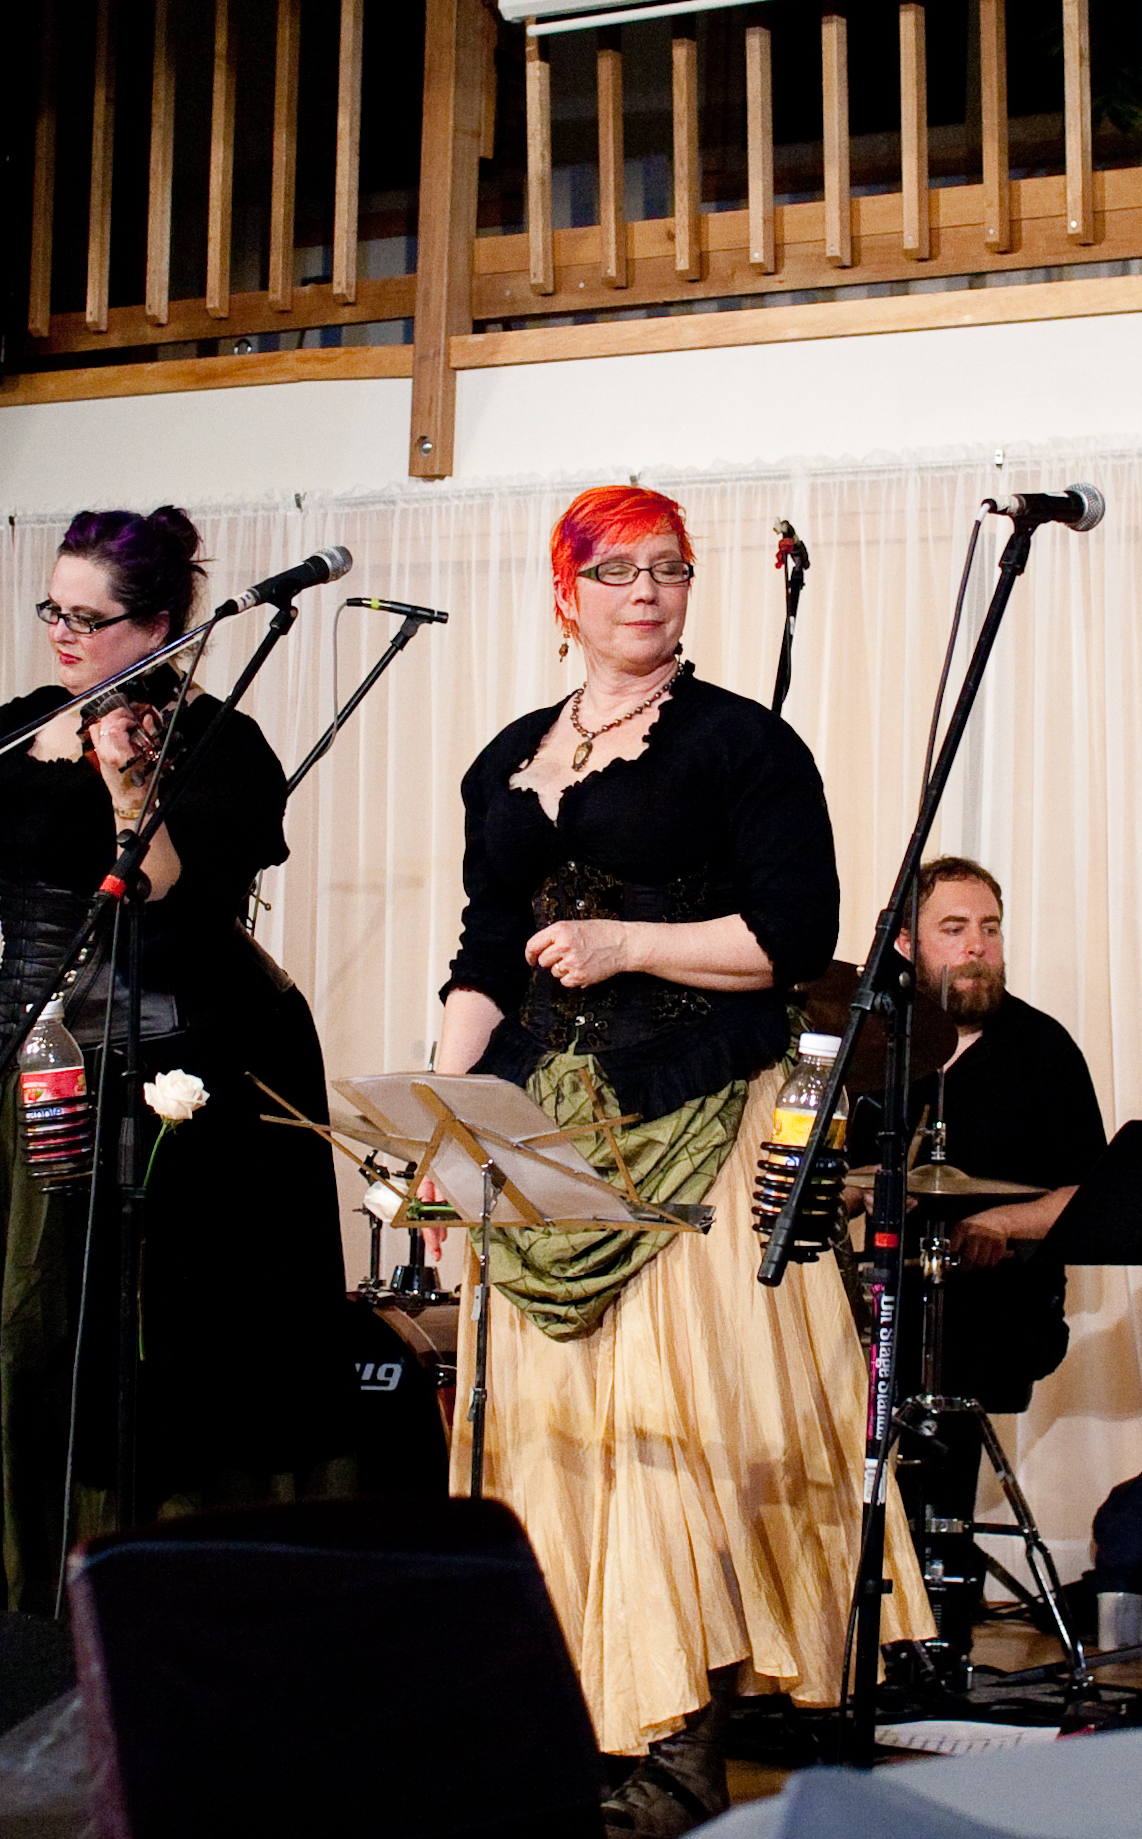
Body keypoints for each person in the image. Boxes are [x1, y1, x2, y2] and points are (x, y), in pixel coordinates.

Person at [436, 484, 926, 1838]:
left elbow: (794, 937)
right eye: (616, 570)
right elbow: (483, 954)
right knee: (554, 1437)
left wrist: (629, 944)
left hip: (693, 1102)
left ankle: (673, 1745)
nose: (646, 590)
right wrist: (446, 1126)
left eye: (669, 568)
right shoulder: (508, 758)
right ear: (564, 594)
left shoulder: (740, 743)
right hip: (542, 1118)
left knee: (672, 1433)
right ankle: (563, 1718)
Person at [0, 506, 346, 1643]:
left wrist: (127, 786)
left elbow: (166, 887)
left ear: (160, 625)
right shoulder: (31, 722)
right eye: (53, 609)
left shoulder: (221, 743)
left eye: (88, 616)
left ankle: (156, 1598)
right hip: (33, 1052)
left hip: (173, 1069)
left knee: (151, 1339)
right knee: (16, 1325)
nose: (62, 632)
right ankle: (1, 1590)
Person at [856, 857, 1105, 1666]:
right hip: (887, 1294)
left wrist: (1003, 1219)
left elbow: (1090, 1193)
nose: (977, 947)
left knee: (941, 1345)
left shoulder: (1042, 1049)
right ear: (907, 943)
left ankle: (935, 1612)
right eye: (955, 929)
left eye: (990, 929)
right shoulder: (875, 1049)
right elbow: (843, 1175)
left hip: (1000, 1307)